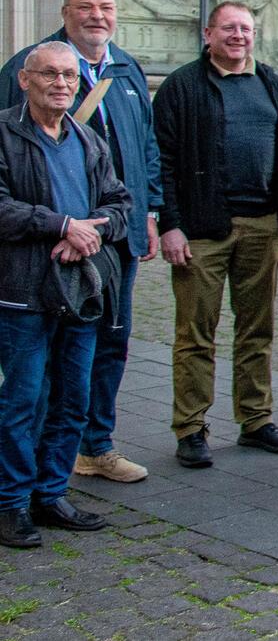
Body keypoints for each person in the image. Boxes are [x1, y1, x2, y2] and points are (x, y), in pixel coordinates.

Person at [0, 0, 162, 485]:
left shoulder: (124, 71)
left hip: (105, 251)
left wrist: (144, 216)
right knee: (33, 379)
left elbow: (142, 154)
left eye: (106, 7)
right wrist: (63, 227)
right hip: (34, 264)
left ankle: (89, 453)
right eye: (85, 6)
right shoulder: (22, 77)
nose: (97, 16)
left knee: (103, 352)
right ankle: (22, 484)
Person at [153, 2, 278, 469]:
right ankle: (191, 428)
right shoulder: (182, 86)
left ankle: (255, 419)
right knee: (195, 335)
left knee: (257, 330)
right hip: (201, 230)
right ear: (208, 34)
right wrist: (169, 225)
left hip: (264, 225)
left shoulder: (271, 83)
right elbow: (162, 161)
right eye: (229, 28)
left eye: (246, 28)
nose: (239, 36)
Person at [0, 42, 131, 548]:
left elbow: (119, 203)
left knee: (73, 398)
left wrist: (90, 231)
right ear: (24, 80)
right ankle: (10, 503)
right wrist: (60, 225)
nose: (61, 84)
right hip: (23, 291)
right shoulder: (4, 134)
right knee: (24, 400)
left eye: (69, 76)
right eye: (49, 74)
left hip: (80, 290)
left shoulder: (87, 139)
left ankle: (50, 493)